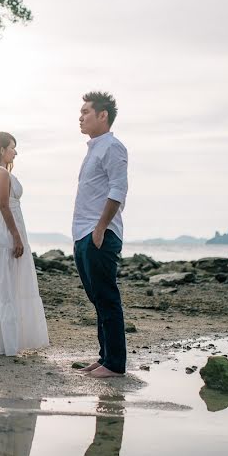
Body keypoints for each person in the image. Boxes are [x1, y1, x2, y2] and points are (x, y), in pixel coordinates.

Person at [73, 92, 129, 378]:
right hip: (83, 233)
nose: (80, 117)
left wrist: (100, 228)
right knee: (97, 298)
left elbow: (118, 190)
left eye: (86, 112)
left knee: (107, 297)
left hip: (99, 234)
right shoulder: (93, 149)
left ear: (103, 115)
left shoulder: (113, 147)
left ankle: (115, 364)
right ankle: (104, 357)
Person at [0, 132, 50, 357]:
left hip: (2, 231)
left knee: (7, 288)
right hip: (6, 234)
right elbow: (3, 206)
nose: (15, 152)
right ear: (2, 150)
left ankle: (5, 342)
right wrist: (16, 237)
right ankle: (8, 345)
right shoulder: (1, 174)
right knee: (7, 289)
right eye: (12, 147)